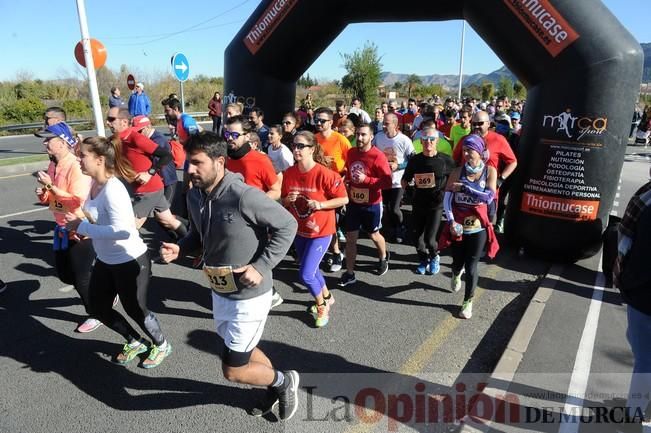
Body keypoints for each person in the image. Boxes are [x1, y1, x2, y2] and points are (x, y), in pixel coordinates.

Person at [159, 131, 300, 420]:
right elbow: (199, 235)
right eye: (188, 162)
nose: (189, 169)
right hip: (219, 289)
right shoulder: (196, 195)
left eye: (197, 163)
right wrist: (180, 248)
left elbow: (287, 224)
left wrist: (261, 266)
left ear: (220, 161)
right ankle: (274, 386)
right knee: (242, 349)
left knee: (233, 370)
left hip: (249, 296)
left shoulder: (243, 196)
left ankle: (284, 382)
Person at [65, 136, 172, 368]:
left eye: (82, 155)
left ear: (100, 160)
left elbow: (123, 231)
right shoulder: (93, 183)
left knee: (136, 309)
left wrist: (82, 227)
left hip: (130, 259)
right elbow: (97, 217)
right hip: (105, 259)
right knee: (98, 308)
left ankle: (161, 344)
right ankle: (134, 341)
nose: (78, 159)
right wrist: (84, 226)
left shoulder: (114, 189)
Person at [34, 122, 98, 333]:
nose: (44, 143)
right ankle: (105, 289)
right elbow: (53, 200)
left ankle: (96, 313)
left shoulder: (76, 166)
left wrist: (51, 187)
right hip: (60, 227)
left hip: (79, 226)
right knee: (64, 275)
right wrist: (44, 193)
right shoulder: (53, 164)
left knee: (82, 279)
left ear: (62, 143)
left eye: (48, 139)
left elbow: (75, 203)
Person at [282, 132, 348, 327]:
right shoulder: (289, 173)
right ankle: (327, 296)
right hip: (299, 230)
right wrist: (287, 200)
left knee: (306, 274)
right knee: (312, 269)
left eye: (301, 146)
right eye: (294, 145)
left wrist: (320, 205)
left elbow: (343, 199)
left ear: (311, 149)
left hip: (321, 231)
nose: (296, 149)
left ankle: (321, 305)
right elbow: (283, 199)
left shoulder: (325, 174)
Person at [440, 134, 499, 319]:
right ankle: (456, 273)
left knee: (472, 265)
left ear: (480, 152)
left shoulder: (490, 171)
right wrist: (451, 221)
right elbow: (447, 199)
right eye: (464, 150)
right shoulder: (457, 172)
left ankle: (467, 302)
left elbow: (488, 197)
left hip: (478, 227)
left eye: (470, 150)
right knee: (457, 261)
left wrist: (466, 189)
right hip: (458, 225)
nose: (466, 154)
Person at [106, 107, 187, 241]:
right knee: (168, 220)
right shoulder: (115, 140)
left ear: (124, 122)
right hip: (142, 189)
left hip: (148, 190)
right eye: (107, 120)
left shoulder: (136, 139)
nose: (108, 123)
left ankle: (136, 260)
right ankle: (194, 244)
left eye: (111, 119)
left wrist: (149, 173)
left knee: (129, 228)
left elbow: (166, 156)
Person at [614, 167, 651, 427]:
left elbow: (628, 246)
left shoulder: (645, 197)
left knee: (644, 358)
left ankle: (635, 413)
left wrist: (625, 283)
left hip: (643, 292)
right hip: (641, 290)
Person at [338, 124, 392, 287]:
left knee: (374, 234)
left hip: (372, 204)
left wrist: (366, 180)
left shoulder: (378, 156)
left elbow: (388, 182)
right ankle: (349, 273)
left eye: (363, 135)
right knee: (351, 238)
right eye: (358, 134)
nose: (359, 138)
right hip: (354, 203)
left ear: (371, 137)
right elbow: (350, 172)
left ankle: (383, 257)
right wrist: (346, 181)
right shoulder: (351, 152)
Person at [402, 125, 456, 275]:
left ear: (437, 141)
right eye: (425, 139)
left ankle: (434, 256)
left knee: (430, 239)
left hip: (436, 205)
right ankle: (423, 259)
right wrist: (408, 190)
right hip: (418, 203)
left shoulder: (446, 160)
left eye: (432, 139)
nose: (428, 142)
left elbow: (455, 177)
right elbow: (405, 180)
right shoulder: (415, 160)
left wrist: (449, 193)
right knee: (416, 238)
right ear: (420, 141)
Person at [314, 107, 351, 272]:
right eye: (317, 120)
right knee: (320, 222)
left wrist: (344, 180)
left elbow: (352, 161)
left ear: (330, 122)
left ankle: (336, 254)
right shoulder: (314, 139)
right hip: (317, 186)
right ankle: (325, 252)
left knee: (332, 224)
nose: (319, 123)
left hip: (335, 187)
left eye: (322, 120)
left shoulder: (341, 140)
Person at [373, 112, 415, 243]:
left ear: (395, 125)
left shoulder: (404, 140)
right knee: (386, 206)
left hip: (398, 180)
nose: (384, 126)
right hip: (383, 179)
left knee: (395, 207)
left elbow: (413, 160)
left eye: (386, 124)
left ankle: (401, 227)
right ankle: (391, 228)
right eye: (383, 123)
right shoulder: (378, 137)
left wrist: (399, 165)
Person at [132, 115, 178, 204]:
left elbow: (160, 160)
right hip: (160, 180)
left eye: (140, 130)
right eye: (136, 131)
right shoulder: (149, 139)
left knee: (166, 209)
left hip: (167, 179)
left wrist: (149, 173)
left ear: (148, 126)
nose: (138, 134)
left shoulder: (158, 140)